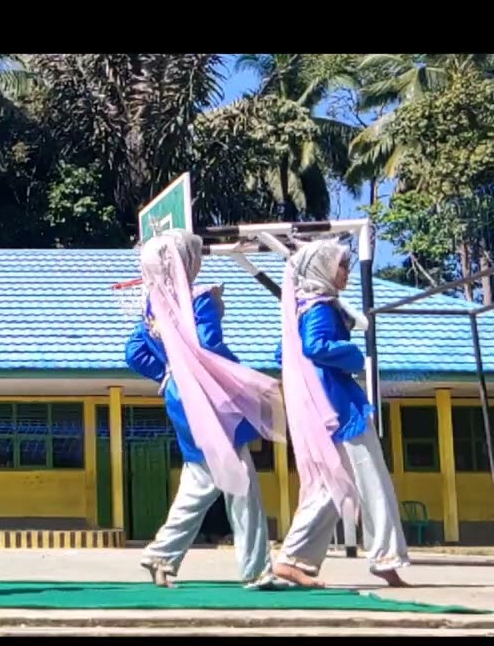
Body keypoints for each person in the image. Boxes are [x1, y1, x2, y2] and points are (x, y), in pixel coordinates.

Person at [123, 231, 283, 589]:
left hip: (180, 397)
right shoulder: (199, 299)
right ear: (186, 263)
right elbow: (210, 346)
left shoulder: (154, 304)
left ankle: (163, 553)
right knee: (239, 481)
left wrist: (166, 373)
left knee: (202, 479)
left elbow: (134, 352)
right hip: (209, 398)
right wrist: (239, 378)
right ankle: (256, 570)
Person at [272, 240, 410, 587]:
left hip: (326, 402)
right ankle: (385, 558)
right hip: (338, 405)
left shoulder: (304, 307)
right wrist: (352, 354)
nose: (346, 273)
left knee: (335, 483)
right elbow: (314, 347)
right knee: (371, 480)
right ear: (321, 268)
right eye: (341, 266)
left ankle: (293, 557)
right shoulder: (319, 307)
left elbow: (283, 353)